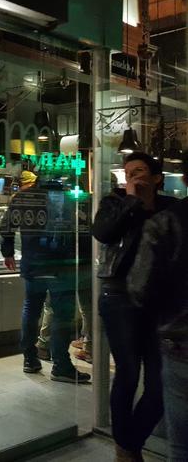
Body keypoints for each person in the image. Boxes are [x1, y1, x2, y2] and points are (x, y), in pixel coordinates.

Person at [93, 152, 175, 461]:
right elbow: (103, 233)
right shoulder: (114, 202)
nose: (132, 177)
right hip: (120, 298)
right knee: (127, 373)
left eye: (139, 171)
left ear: (156, 178)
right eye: (128, 173)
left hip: (160, 301)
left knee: (160, 382)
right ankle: (127, 451)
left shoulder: (171, 208)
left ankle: (127, 444)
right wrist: (130, 201)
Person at [1, 170, 91, 383]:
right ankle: (61, 365)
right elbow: (84, 228)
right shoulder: (69, 196)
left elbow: (7, 226)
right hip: (61, 266)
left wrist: (8, 252)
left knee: (32, 310)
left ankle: (30, 359)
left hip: (34, 263)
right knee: (62, 315)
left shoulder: (24, 196)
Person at [129, 154, 188, 462]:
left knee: (181, 445)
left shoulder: (167, 219)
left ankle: (127, 447)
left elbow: (140, 288)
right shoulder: (123, 206)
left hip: (179, 344)